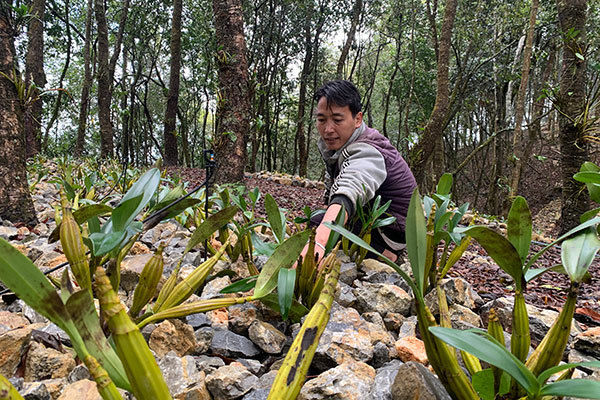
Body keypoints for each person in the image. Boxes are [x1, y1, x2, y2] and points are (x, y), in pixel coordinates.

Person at [302, 79, 417, 264]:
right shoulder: (338, 146)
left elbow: (351, 186)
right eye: (321, 120)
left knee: (319, 225)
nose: (328, 129)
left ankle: (385, 254)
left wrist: (320, 242)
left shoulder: (368, 149)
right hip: (370, 218)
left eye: (337, 120)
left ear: (357, 119)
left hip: (391, 233)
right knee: (318, 218)